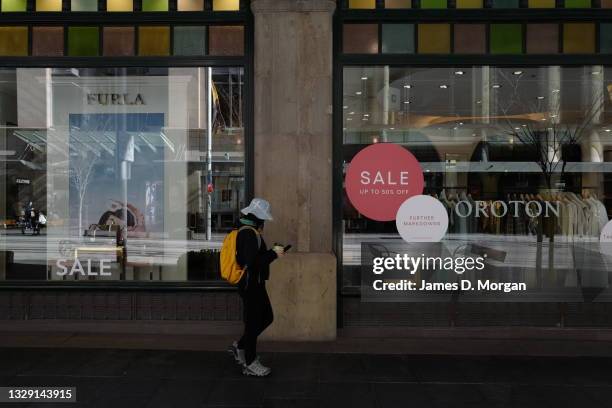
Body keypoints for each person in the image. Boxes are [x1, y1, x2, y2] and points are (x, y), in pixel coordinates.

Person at [229, 198, 284, 377]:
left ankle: (241, 346)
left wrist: (271, 253)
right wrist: (273, 254)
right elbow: (252, 263)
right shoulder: (249, 234)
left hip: (255, 284)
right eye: (264, 219)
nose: (264, 223)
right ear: (258, 218)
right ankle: (250, 363)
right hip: (250, 285)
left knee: (266, 317)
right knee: (254, 323)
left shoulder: (247, 230)